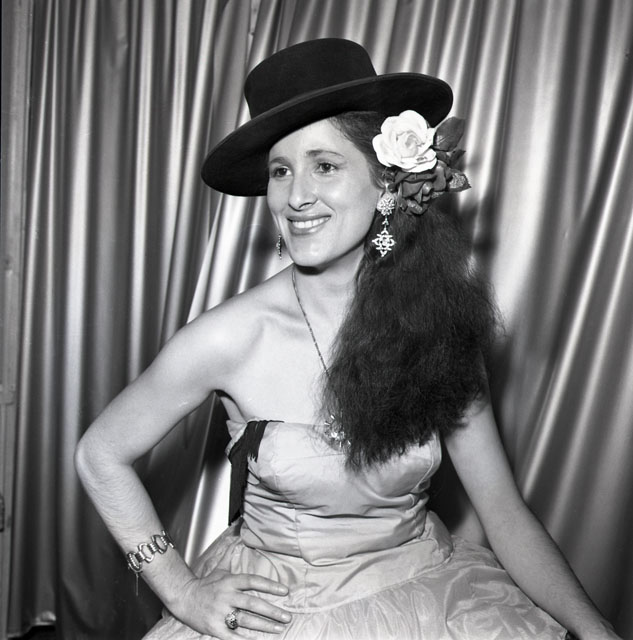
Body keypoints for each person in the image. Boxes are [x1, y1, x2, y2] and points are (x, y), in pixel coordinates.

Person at [75, 39, 620, 640]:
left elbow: (505, 514)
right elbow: (101, 454)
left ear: (386, 180)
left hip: (430, 603)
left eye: (325, 165)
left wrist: (597, 631)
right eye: (281, 171)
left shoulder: (437, 323)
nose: (296, 196)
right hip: (279, 618)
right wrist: (181, 590)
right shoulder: (229, 337)